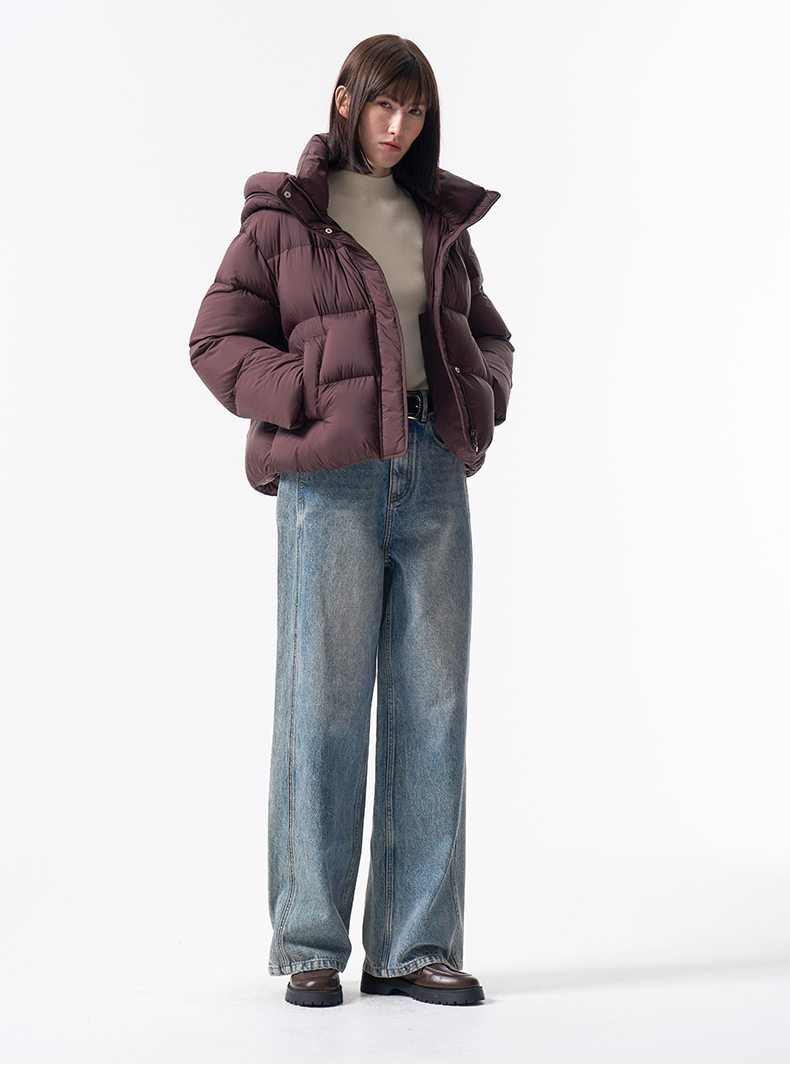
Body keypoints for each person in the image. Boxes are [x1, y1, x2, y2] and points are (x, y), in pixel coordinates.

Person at [189, 34, 514, 1007]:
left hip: (431, 473)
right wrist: (307, 393)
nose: (398, 125)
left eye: (414, 111)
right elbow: (216, 338)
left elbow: (487, 333)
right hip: (329, 484)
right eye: (383, 105)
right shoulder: (286, 217)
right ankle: (309, 942)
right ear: (345, 101)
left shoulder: (433, 217)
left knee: (433, 704)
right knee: (323, 703)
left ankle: (414, 946)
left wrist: (478, 398)